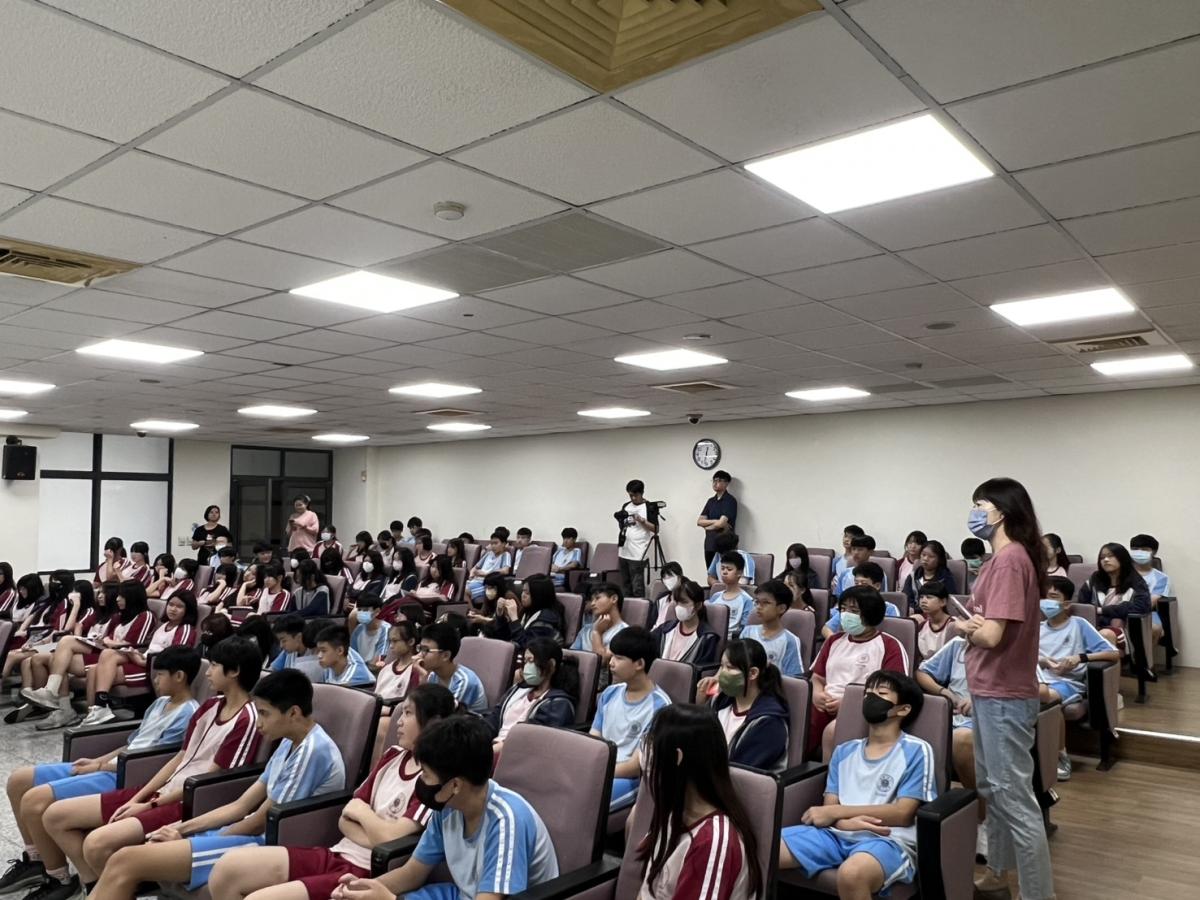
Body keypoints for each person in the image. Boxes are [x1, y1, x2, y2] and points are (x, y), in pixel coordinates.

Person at [89, 670, 345, 899]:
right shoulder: (289, 741)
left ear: (293, 713)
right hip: (251, 831)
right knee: (129, 857)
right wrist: (181, 829)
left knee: (127, 860)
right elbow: (240, 806)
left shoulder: (313, 751)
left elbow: (259, 822)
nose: (259, 723)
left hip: (270, 846)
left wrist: (186, 836)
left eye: (265, 714)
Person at [39, 637, 263, 894]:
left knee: (97, 844)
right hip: (164, 791)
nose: (207, 673)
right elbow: (180, 757)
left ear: (234, 672)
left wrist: (149, 805)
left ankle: (120, 890)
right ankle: (104, 888)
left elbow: (211, 781)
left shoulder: (247, 718)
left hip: (189, 802)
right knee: (56, 815)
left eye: (213, 666)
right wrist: (140, 797)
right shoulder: (210, 706)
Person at [207, 683, 458, 900]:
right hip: (337, 852)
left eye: (408, 713)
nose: (399, 721)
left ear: (434, 722)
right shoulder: (392, 755)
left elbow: (389, 838)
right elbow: (345, 817)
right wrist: (371, 827)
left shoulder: (433, 778)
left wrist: (362, 814)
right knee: (227, 869)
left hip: (366, 871)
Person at [0, 647, 202, 900]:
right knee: (18, 780)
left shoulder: (188, 713)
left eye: (160, 675)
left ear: (179, 676)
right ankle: (34, 861)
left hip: (126, 774)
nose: (155, 680)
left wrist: (101, 767)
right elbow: (133, 743)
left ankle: (60, 878)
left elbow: (152, 758)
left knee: (34, 801)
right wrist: (98, 760)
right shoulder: (160, 703)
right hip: (111, 765)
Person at [955, 477, 1054, 900]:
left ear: (1002, 511)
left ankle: (1038, 894)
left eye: (980, 505)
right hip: (990, 689)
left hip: (1004, 694)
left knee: (1014, 799)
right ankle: (997, 872)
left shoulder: (1011, 560)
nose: (974, 513)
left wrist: (965, 628)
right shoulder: (1003, 559)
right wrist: (975, 625)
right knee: (993, 790)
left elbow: (992, 635)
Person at [330, 716, 558, 900]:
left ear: (455, 785)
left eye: (426, 775)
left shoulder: (506, 820)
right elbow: (413, 873)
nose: (421, 782)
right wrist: (362, 890)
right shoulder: (448, 806)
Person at [779, 670, 936, 899]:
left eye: (881, 693)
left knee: (852, 874)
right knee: (765, 848)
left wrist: (837, 813)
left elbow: (903, 814)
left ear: (903, 709)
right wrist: (842, 822)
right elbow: (829, 806)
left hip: (888, 840)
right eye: (868, 692)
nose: (871, 697)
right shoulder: (844, 751)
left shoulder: (917, 750)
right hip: (835, 834)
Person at [636, 704, 761, 900]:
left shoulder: (713, 841)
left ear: (677, 758)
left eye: (654, 747)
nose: (647, 759)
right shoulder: (674, 810)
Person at [808, 587, 909, 759]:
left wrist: (849, 703)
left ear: (871, 613)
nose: (846, 615)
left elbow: (893, 691)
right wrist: (817, 693)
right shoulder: (833, 641)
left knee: (833, 731)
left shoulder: (890, 645)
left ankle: (828, 775)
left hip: (863, 709)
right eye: (843, 609)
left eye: (854, 611)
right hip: (823, 705)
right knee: (796, 719)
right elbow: (817, 677)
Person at [1038, 576, 1120, 780]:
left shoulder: (1078, 624)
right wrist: (1044, 661)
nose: (1046, 601)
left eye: (1053, 597)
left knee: (1047, 699)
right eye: (1044, 597)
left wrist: (1079, 658)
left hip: (1067, 683)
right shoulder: (1036, 628)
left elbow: (1113, 653)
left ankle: (1060, 755)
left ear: (1066, 604)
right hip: (1039, 679)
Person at [591, 627, 671, 809]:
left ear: (639, 664)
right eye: (612, 656)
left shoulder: (660, 707)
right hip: (600, 768)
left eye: (619, 658)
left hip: (630, 779)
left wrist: (597, 771)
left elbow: (634, 767)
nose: (611, 663)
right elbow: (594, 739)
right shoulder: (609, 693)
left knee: (585, 800)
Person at [916, 635, 981, 850]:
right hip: (952, 716)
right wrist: (944, 692)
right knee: (914, 741)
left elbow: (1039, 691)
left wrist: (982, 700)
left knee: (961, 740)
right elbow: (922, 672)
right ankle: (927, 813)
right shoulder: (957, 645)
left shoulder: (1010, 646)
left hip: (988, 719)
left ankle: (983, 817)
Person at [700, 639, 790, 771]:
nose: (722, 673)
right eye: (721, 666)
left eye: (730, 668)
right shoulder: (719, 702)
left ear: (753, 673)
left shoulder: (770, 721)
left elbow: (742, 770)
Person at [486, 638, 578, 750]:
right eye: (525, 661)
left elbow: (531, 739)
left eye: (531, 661)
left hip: (518, 752)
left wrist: (493, 750)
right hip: (494, 746)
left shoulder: (559, 703)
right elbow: (494, 718)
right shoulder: (518, 689)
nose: (526, 667)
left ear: (551, 665)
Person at [1077, 543, 1151, 648]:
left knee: (1109, 631)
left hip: (1127, 629)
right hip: (1094, 624)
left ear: (1122, 558)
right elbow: (1082, 605)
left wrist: (1102, 610)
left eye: (1111, 556)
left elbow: (1141, 607)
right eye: (1102, 557)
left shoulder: (1137, 582)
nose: (1106, 560)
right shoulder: (1095, 579)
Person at [417, 622, 488, 714]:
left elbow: (446, 715)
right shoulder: (432, 675)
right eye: (420, 648)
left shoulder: (464, 682)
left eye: (426, 650)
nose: (419, 655)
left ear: (445, 655)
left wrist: (423, 681)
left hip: (467, 721)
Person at [651, 580, 721, 667]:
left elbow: (703, 669)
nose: (678, 607)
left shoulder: (707, 637)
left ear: (698, 605)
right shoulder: (665, 629)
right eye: (677, 602)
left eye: (684, 602)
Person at [742, 579, 804, 676]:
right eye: (757, 602)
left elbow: (794, 677)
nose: (758, 607)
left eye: (765, 603)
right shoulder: (747, 632)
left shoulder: (790, 640)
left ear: (781, 608)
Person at [823, 563, 900, 638]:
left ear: (877, 586)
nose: (858, 588)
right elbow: (826, 629)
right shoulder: (849, 607)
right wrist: (835, 642)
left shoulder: (890, 609)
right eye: (856, 583)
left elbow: (894, 635)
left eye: (864, 584)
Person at [493, 574, 565, 649]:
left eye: (527, 593)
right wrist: (500, 614)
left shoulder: (546, 618)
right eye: (523, 591)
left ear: (539, 595)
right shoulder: (528, 611)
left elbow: (528, 646)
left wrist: (514, 619)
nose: (523, 595)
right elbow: (504, 636)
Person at [616, 479, 659, 600]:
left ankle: (640, 610)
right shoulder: (626, 506)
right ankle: (627, 609)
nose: (633, 498)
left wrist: (642, 521)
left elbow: (656, 529)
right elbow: (622, 525)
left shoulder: (649, 507)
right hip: (624, 550)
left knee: (637, 587)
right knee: (625, 586)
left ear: (642, 493)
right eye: (630, 495)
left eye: (635, 495)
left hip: (638, 552)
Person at [570, 582, 627, 664]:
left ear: (614, 599)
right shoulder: (586, 630)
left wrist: (597, 633)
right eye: (592, 600)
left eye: (597, 598)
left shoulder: (624, 632)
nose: (592, 604)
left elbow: (601, 662)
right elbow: (571, 657)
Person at [1129, 533, 1170, 638]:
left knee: (1156, 629)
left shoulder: (1161, 578)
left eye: (1144, 549)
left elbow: (1149, 604)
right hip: (1118, 611)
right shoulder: (1122, 572)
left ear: (1154, 552)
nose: (1139, 552)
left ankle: (1148, 650)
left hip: (1146, 613)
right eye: (1135, 549)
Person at [697, 470, 738, 567]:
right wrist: (715, 521)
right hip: (710, 544)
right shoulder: (711, 501)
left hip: (725, 545)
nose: (715, 483)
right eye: (714, 480)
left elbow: (721, 523)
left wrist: (707, 527)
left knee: (725, 572)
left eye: (719, 480)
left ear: (726, 483)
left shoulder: (730, 500)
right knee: (710, 572)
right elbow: (699, 521)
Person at [708, 552, 753, 639]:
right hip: (713, 638)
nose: (724, 572)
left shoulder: (746, 600)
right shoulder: (715, 596)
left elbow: (745, 629)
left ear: (739, 573)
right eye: (722, 568)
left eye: (729, 569)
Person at [268, 615, 324, 681]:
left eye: (284, 641)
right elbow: (271, 670)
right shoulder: (287, 652)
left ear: (298, 637)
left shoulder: (315, 655)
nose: (281, 646)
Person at [900, 541, 957, 606]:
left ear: (940, 559)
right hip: (914, 611)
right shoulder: (912, 576)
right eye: (923, 555)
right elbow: (905, 599)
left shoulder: (946, 578)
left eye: (931, 556)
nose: (925, 559)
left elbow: (950, 602)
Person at [912, 582, 955, 662]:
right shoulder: (921, 627)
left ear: (943, 602)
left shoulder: (953, 626)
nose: (923, 601)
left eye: (929, 597)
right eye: (921, 597)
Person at [465, 533, 512, 603]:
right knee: (460, 588)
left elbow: (505, 571)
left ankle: (471, 609)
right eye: (491, 543)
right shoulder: (488, 554)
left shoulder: (505, 555)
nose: (493, 546)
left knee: (465, 591)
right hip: (475, 580)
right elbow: (475, 567)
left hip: (486, 584)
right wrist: (471, 575)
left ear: (503, 544)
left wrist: (486, 574)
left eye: (496, 543)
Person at [350, 593, 390, 668]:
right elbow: (352, 655)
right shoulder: (358, 629)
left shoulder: (386, 630)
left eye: (365, 610)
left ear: (377, 611)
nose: (361, 613)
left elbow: (377, 661)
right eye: (359, 610)